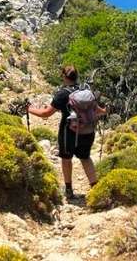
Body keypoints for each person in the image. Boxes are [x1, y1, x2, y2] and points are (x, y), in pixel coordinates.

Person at [28, 65, 106, 200]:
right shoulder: (86, 90)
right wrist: (105, 111)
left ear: (64, 77)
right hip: (87, 131)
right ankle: (95, 188)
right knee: (85, 157)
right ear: (76, 76)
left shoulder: (62, 94)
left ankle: (69, 190)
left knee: (66, 158)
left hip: (68, 132)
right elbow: (97, 110)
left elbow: (46, 113)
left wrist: (30, 109)